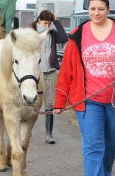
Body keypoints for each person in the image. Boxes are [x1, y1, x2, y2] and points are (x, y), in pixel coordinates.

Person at [53, 0, 115, 176]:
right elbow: (66, 70)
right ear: (88, 10)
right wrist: (59, 101)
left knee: (112, 142)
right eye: (93, 8)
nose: (97, 13)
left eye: (101, 9)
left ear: (108, 10)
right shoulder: (77, 34)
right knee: (93, 144)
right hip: (88, 100)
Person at [30, 10, 68, 144]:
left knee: (50, 101)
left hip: (50, 69)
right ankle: (28, 129)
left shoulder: (52, 32)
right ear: (39, 20)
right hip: (35, 71)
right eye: (45, 23)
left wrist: (56, 22)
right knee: (32, 99)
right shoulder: (31, 32)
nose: (47, 26)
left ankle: (48, 134)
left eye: (49, 23)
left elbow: (64, 38)